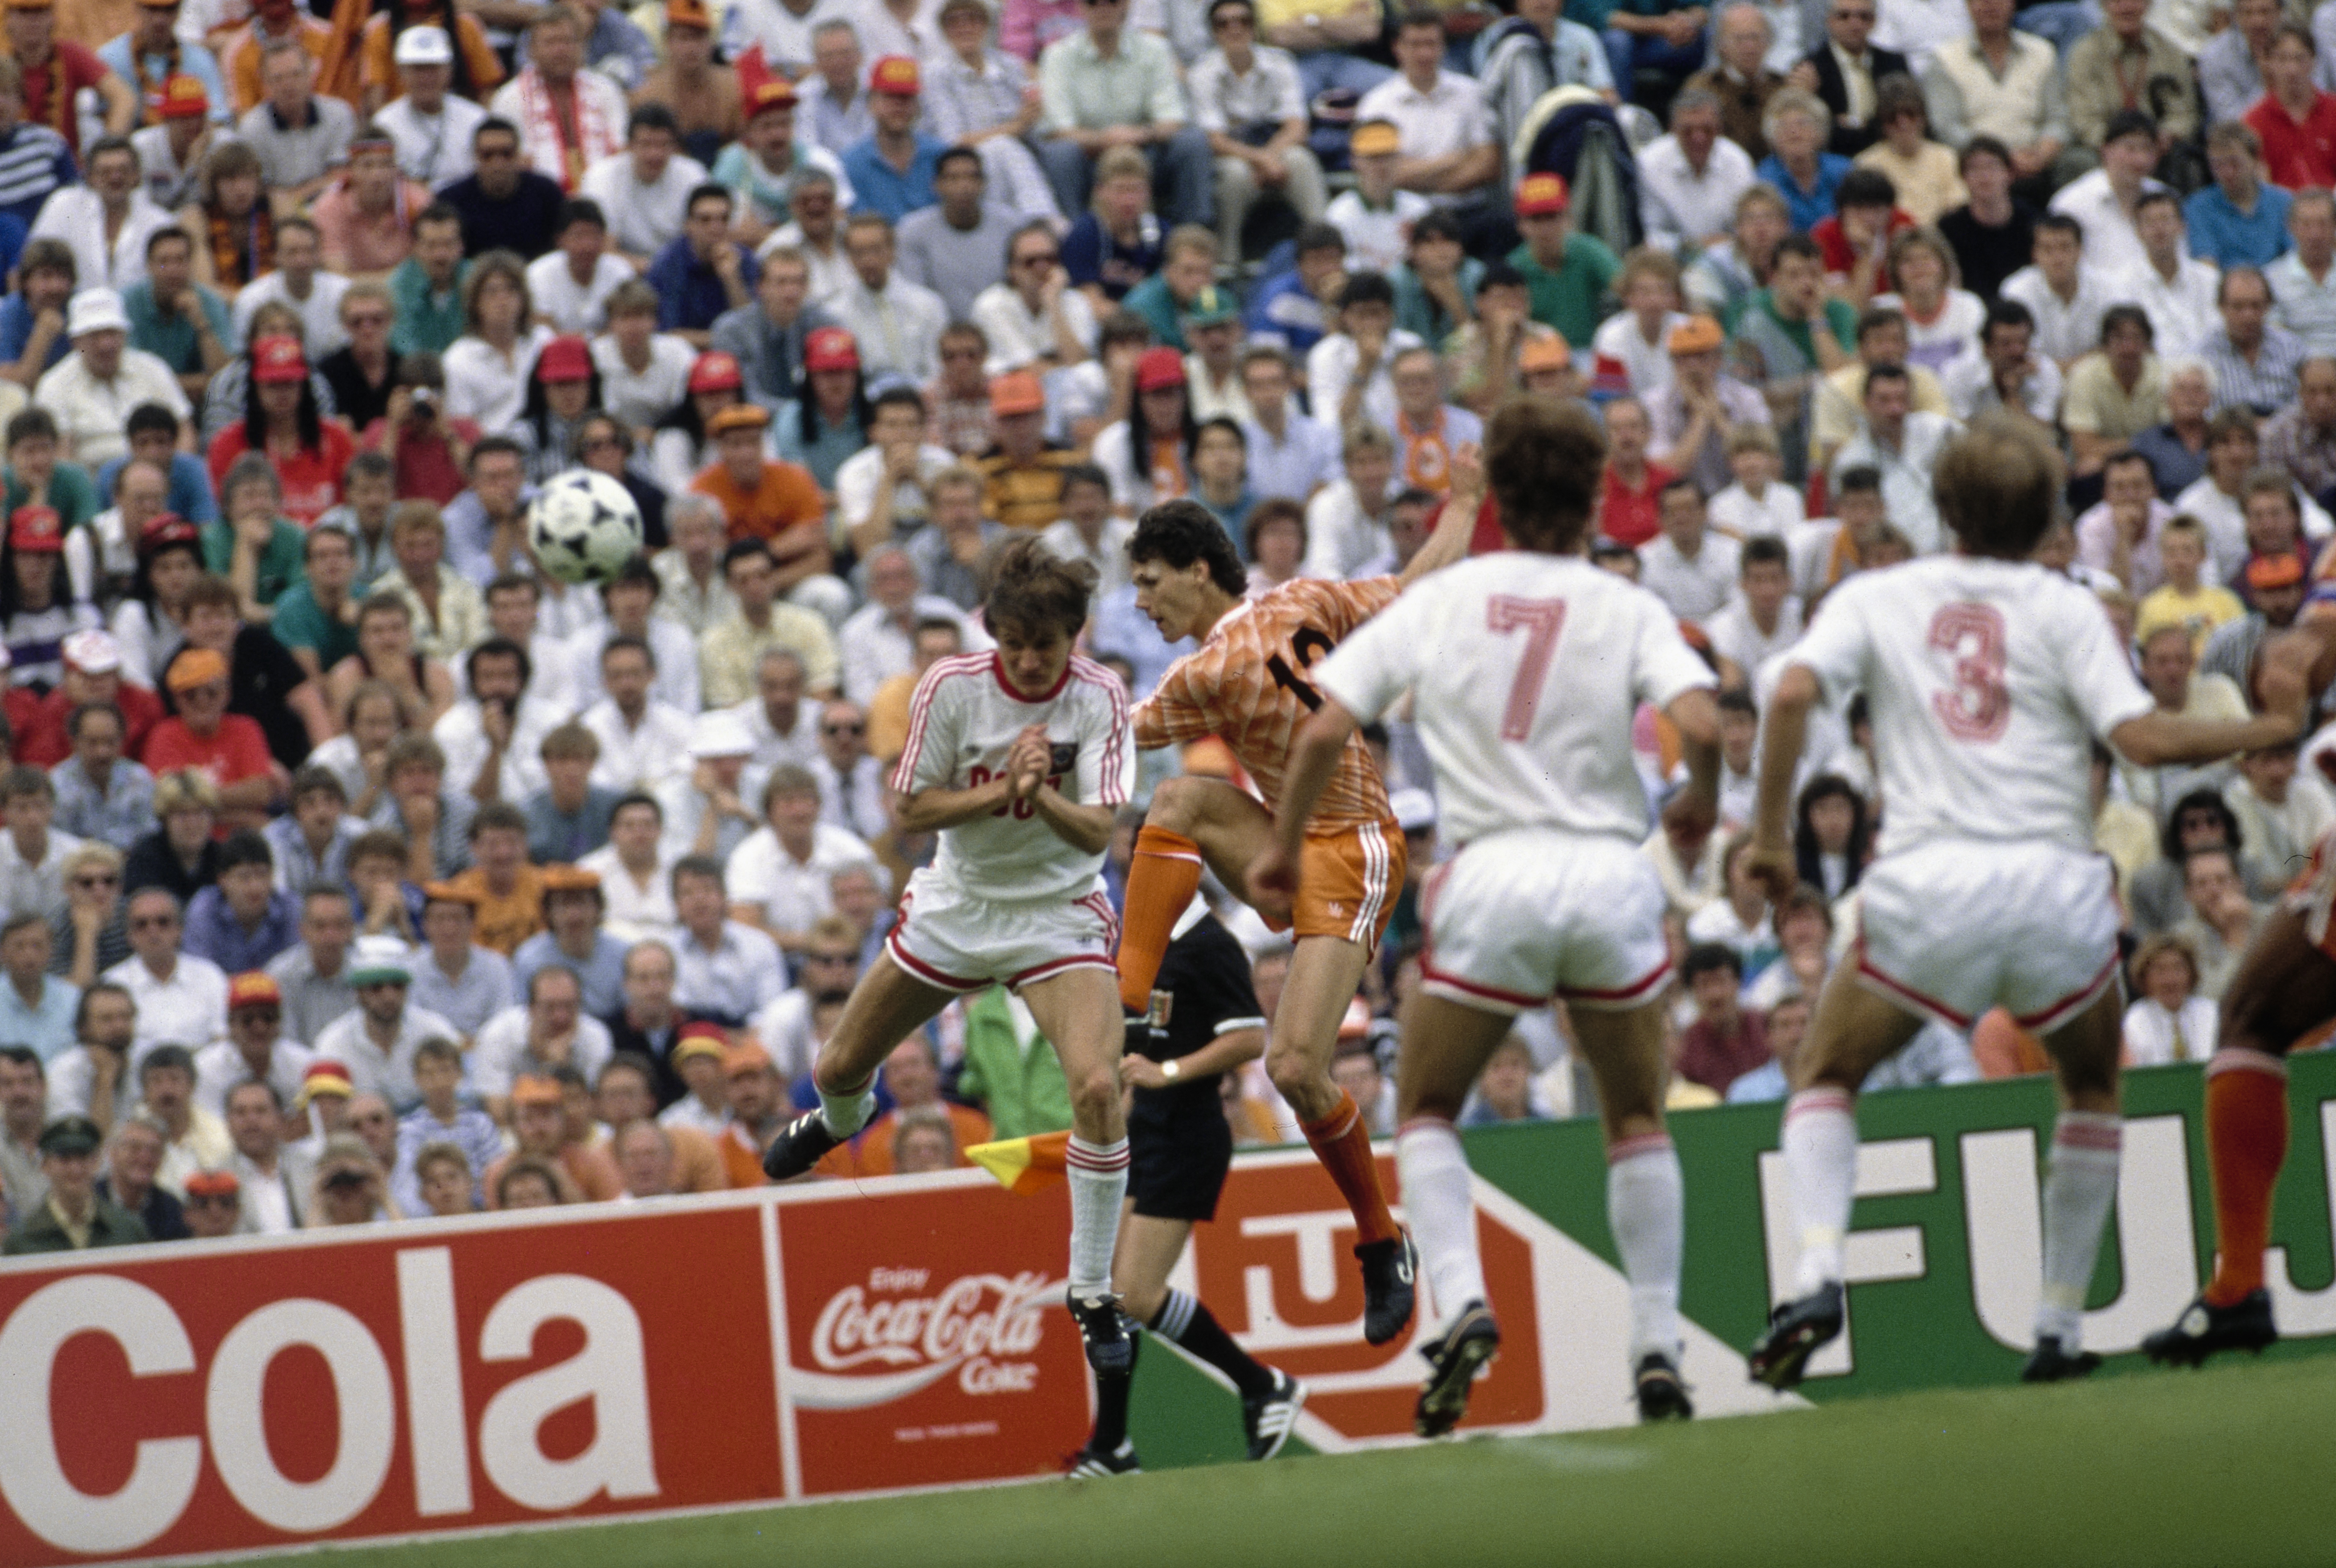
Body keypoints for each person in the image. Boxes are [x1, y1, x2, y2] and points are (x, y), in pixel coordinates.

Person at [1743, 413, 2312, 1392]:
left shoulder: (1876, 592)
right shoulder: (2061, 610)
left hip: (1926, 885)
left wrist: (1764, 838)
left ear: (1944, 508)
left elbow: (1789, 696)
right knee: (2088, 1088)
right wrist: (2265, 724)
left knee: (1826, 1070)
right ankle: (2053, 1323)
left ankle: (1816, 1271)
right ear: (2045, 513)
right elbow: (2136, 740)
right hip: (2054, 889)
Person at [1255, 396, 1716, 1430]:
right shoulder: (1624, 603)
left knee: (1424, 1110)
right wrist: (1707, 808)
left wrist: (1284, 846)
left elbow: (1326, 724)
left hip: (1493, 879)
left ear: (1498, 496)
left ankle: (1460, 1300)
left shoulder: (1444, 600)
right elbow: (1699, 718)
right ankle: (1655, 1345)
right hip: (1605, 875)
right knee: (1634, 1115)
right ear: (1593, 496)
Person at [756, 541, 1140, 1374]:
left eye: (1049, 644)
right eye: (1016, 645)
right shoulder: (951, 687)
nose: (1032, 661)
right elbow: (911, 807)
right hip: (958, 907)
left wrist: (1043, 796)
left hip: (1058, 913)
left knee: (1100, 1086)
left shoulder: (1102, 695)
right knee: (841, 1062)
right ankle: (835, 1124)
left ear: (1077, 635)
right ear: (993, 635)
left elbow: (1099, 831)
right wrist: (1009, 787)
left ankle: (1092, 1289)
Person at [1110, 478, 1476, 1351]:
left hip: (1354, 849)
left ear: (1200, 570)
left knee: (1299, 1064)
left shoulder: (1209, 671)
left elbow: (1114, 731)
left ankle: (1383, 1241)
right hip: (1292, 846)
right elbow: (1418, 584)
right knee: (1182, 801)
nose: (1140, 598)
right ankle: (1126, 1003)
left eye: (1152, 578)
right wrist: (1463, 505)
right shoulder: (1306, 595)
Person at [1070, 894, 1299, 1477]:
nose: (1133, 874)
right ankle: (1112, 1444)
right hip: (1145, 1129)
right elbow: (1139, 1047)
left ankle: (1262, 1383)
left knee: (1136, 1294)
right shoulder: (1144, 943)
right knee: (1107, 1298)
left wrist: (1165, 1072)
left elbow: (1249, 1038)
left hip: (1188, 1134)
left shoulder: (1210, 944)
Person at [1034, 0, 1211, 230]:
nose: (1103, 7)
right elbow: (1058, 129)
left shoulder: (1156, 48)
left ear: (1126, 5)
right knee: (1060, 154)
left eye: (1112, 1)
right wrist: (1104, 139)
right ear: (1081, 7)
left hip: (1146, 153)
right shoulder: (1058, 55)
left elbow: (1172, 119)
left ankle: (1193, 236)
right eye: (1093, 2)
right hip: (1089, 159)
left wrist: (1138, 135)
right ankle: (1074, 238)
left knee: (1192, 141)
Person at [4, 1114, 147, 1252]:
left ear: (97, 1163)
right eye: (64, 1159)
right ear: (45, 1165)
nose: (75, 1169)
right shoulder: (22, 1241)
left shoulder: (128, 1232)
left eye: (83, 1157)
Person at [372, 27, 488, 191]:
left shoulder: (476, 118)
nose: (426, 78)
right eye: (418, 69)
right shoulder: (384, 123)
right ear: (401, 73)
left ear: (449, 71)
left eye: (434, 68)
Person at [436, 118, 567, 262]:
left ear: (518, 155)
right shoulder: (451, 200)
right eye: (487, 155)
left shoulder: (546, 193)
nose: (498, 163)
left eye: (506, 154)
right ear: (475, 157)